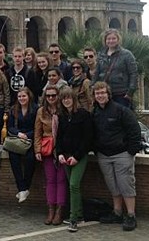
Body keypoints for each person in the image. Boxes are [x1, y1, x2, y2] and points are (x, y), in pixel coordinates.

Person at [92, 81, 141, 232]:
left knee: (126, 184)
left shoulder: (121, 110)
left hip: (122, 154)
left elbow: (134, 129)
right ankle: (117, 212)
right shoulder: (95, 112)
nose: (100, 96)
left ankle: (131, 215)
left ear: (108, 94)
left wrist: (131, 151)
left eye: (102, 93)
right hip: (104, 155)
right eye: (97, 93)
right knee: (112, 185)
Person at [56, 86, 93, 233]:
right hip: (66, 155)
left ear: (74, 99)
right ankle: (79, 214)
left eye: (69, 98)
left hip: (79, 156)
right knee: (72, 186)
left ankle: (73, 219)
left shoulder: (83, 114)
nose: (66, 101)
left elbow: (88, 138)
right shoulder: (62, 116)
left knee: (74, 184)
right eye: (64, 98)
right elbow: (59, 137)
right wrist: (59, 153)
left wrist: (77, 156)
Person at [34, 85, 66, 226]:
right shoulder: (41, 111)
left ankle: (60, 210)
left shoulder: (63, 110)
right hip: (47, 148)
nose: (51, 98)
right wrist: (37, 150)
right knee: (50, 180)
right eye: (48, 96)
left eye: (53, 95)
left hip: (62, 148)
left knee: (61, 180)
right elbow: (37, 132)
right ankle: (51, 209)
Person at [94, 29, 138, 110]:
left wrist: (130, 92)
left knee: (121, 118)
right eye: (108, 39)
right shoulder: (101, 55)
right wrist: (93, 88)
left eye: (113, 38)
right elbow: (97, 73)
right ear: (105, 40)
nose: (111, 41)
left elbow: (133, 73)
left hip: (121, 93)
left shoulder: (126, 54)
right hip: (105, 93)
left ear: (118, 40)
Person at [8, 87, 37, 203]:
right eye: (19, 96)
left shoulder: (35, 109)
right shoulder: (13, 110)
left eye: (24, 96)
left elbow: (38, 127)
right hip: (18, 139)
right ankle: (22, 188)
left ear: (29, 96)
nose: (21, 98)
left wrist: (28, 135)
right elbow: (10, 127)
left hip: (31, 139)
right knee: (13, 157)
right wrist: (18, 133)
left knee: (30, 159)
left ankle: (25, 187)